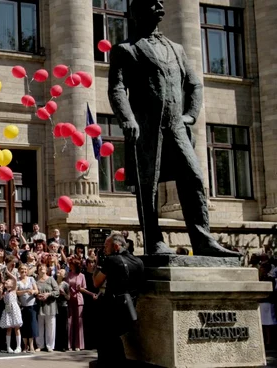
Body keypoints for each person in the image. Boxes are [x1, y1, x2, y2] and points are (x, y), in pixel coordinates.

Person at [108, 0, 238, 257]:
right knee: (149, 185)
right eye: (151, 1)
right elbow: (117, 88)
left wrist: (190, 114)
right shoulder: (125, 49)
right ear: (136, 13)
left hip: (177, 127)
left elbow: (194, 84)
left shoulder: (177, 48)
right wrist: (128, 119)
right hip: (147, 128)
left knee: (194, 177)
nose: (157, 4)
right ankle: (154, 240)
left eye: (160, 1)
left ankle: (202, 240)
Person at [94, 233, 144, 367]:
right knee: (115, 338)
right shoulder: (138, 262)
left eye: (106, 246)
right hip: (130, 307)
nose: (104, 249)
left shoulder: (112, 260)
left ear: (115, 246)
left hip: (113, 308)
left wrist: (98, 263)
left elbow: (96, 282)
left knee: (107, 341)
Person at [36, 264, 59, 352]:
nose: (42, 269)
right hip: (40, 306)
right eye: (40, 267)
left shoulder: (51, 279)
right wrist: (38, 295)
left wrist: (48, 294)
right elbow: (34, 291)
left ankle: (50, 346)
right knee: (40, 326)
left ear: (46, 270)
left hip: (50, 305)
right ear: (38, 270)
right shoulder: (36, 281)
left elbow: (57, 291)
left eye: (43, 267)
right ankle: (40, 345)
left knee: (51, 326)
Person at [0, 276, 23, 354]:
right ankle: (8, 347)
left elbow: (15, 279)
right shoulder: (5, 292)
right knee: (8, 328)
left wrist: (8, 273)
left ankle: (18, 346)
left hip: (14, 309)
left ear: (12, 284)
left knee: (17, 328)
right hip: (7, 310)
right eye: (6, 281)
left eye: (8, 281)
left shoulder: (13, 290)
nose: (6, 282)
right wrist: (0, 291)